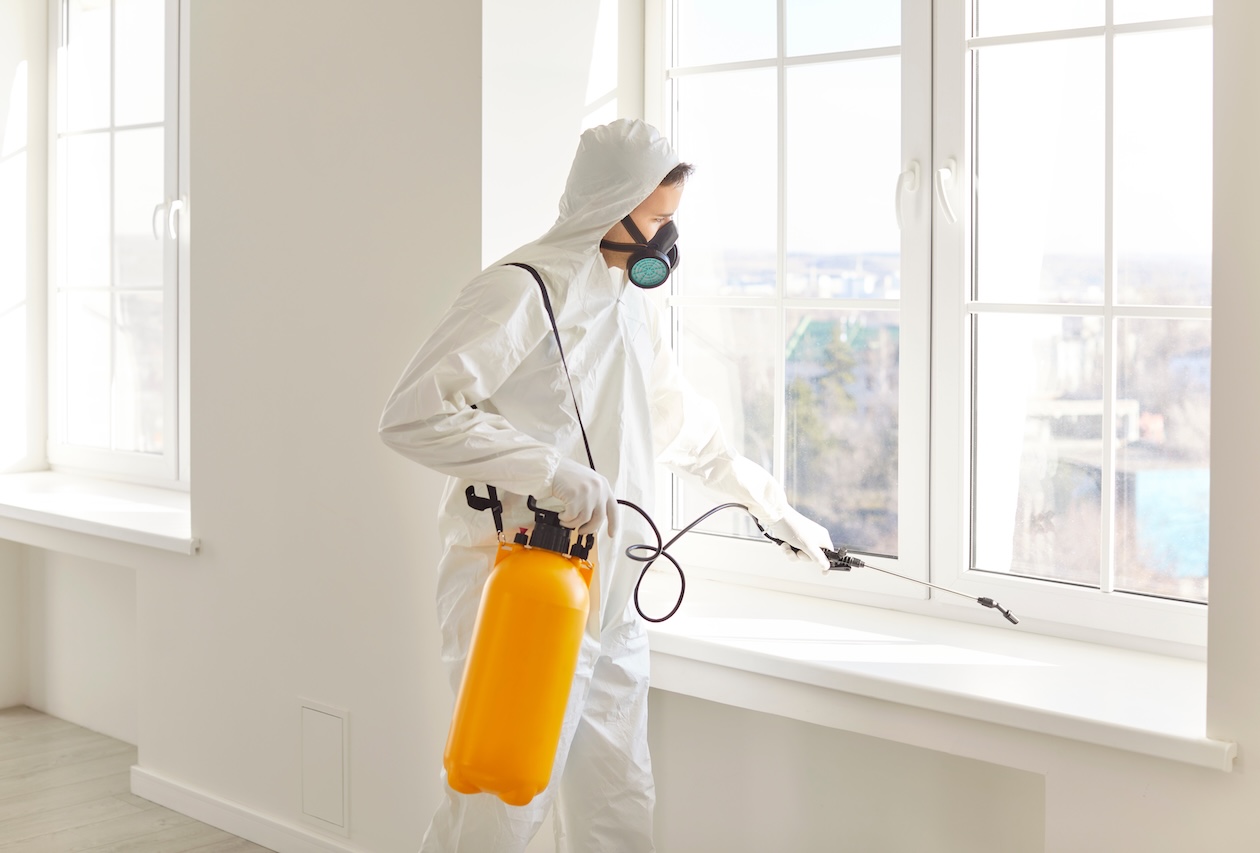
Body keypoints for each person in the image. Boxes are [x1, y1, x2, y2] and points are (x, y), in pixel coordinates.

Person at [379, 119, 833, 853]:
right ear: (606, 203)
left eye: (671, 222)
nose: (664, 241)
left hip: (612, 602)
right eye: (655, 220)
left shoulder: (628, 302)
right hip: (521, 591)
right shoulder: (517, 290)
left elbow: (687, 428)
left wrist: (771, 507)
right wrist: (549, 471)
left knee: (617, 808)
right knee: (500, 805)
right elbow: (413, 415)